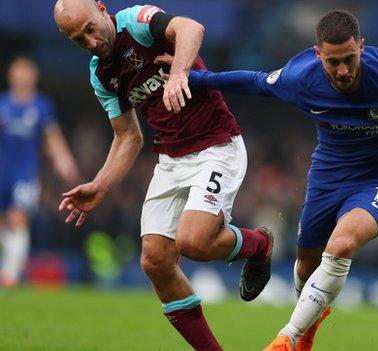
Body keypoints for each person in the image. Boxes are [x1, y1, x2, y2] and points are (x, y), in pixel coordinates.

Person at [158, 9, 378, 351]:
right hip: (329, 174)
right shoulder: (301, 77)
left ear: (361, 46)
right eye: (333, 62)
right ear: (318, 54)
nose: (343, 71)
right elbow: (253, 81)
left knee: (341, 245)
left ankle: (286, 339)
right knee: (306, 264)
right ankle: (308, 330)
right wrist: (191, 78)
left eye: (349, 59)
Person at [53, 1, 274, 350]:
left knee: (193, 242)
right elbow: (128, 136)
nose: (91, 42)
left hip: (217, 146)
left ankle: (260, 245)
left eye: (91, 29)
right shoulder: (100, 74)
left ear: (100, 9)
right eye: (78, 39)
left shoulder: (136, 23)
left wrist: (181, 72)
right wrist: (100, 185)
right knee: (155, 261)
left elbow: (191, 28)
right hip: (171, 160)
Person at [0, 56, 80, 288]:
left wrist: (64, 161)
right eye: (18, 71)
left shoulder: (41, 106)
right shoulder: (3, 104)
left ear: (33, 76)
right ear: (11, 75)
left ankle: (10, 275)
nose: (22, 76)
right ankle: (10, 265)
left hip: (25, 173)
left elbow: (51, 137)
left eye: (26, 72)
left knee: (18, 218)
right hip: (2, 170)